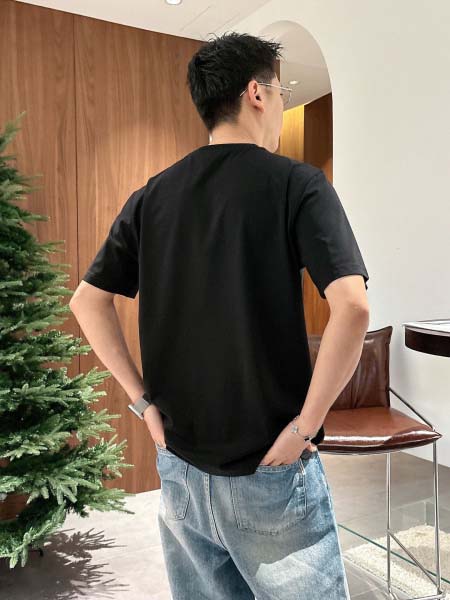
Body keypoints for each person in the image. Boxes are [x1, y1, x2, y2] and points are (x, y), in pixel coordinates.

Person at [71, 31, 370, 600]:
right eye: (282, 91)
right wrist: (305, 427)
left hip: (180, 465)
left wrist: (142, 403)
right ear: (256, 93)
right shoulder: (296, 183)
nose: (281, 105)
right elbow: (352, 306)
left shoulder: (152, 195)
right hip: (270, 468)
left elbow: (86, 300)